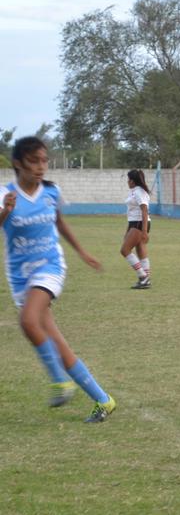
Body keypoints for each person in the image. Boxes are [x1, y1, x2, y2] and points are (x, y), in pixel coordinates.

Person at [1, 136, 116, 422]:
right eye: (33, 161)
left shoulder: (51, 192)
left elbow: (59, 222)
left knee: (28, 321)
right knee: (56, 342)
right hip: (20, 275)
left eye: (44, 160)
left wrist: (82, 252)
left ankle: (59, 381)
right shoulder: (5, 193)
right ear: (18, 163)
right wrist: (6, 211)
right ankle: (103, 400)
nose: (41, 167)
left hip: (50, 266)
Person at [120, 168, 152, 289]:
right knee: (140, 250)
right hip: (134, 223)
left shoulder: (139, 192)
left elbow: (144, 210)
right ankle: (146, 280)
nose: (127, 181)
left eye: (128, 179)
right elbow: (132, 212)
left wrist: (144, 231)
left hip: (140, 223)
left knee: (124, 250)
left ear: (132, 181)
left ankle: (143, 276)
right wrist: (128, 230)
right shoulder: (134, 191)